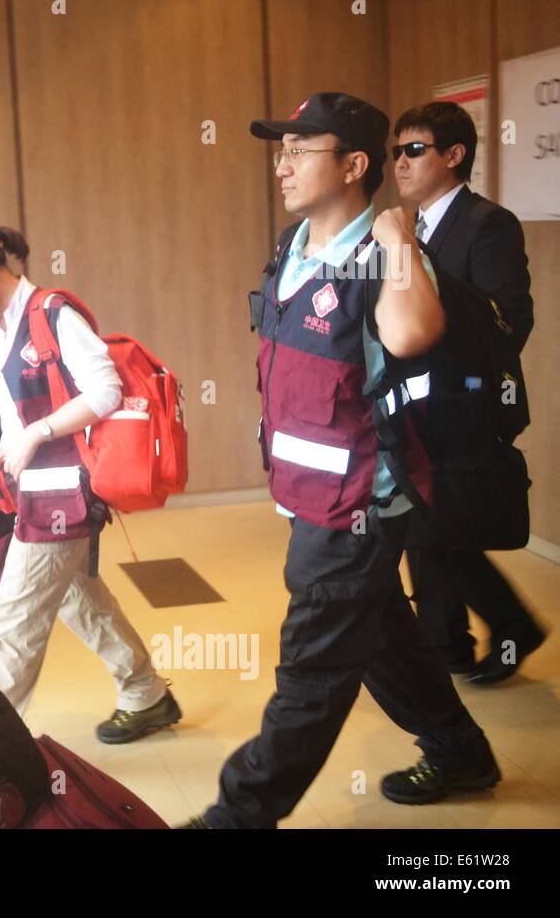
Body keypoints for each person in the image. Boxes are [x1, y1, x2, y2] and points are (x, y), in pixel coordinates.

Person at [187, 93, 499, 828]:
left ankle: (236, 817)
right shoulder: (292, 249)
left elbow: (414, 333)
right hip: (310, 494)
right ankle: (461, 753)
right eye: (280, 150)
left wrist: (400, 240)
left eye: (301, 150)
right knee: (383, 633)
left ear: (355, 165)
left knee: (311, 674)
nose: (283, 165)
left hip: (359, 504)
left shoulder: (376, 255)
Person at [0, 217, 180, 744]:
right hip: (28, 492)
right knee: (79, 598)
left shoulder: (54, 315)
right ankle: (146, 693)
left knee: (14, 623)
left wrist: (38, 432)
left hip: (66, 495)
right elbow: (0, 418)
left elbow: (104, 391)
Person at [392, 100, 545, 684]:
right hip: (418, 405)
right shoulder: (415, 226)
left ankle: (504, 629)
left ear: (454, 155)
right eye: (396, 153)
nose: (401, 165)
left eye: (414, 150)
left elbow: (511, 318)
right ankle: (448, 643)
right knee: (425, 526)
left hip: (469, 405)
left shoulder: (487, 223)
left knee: (433, 528)